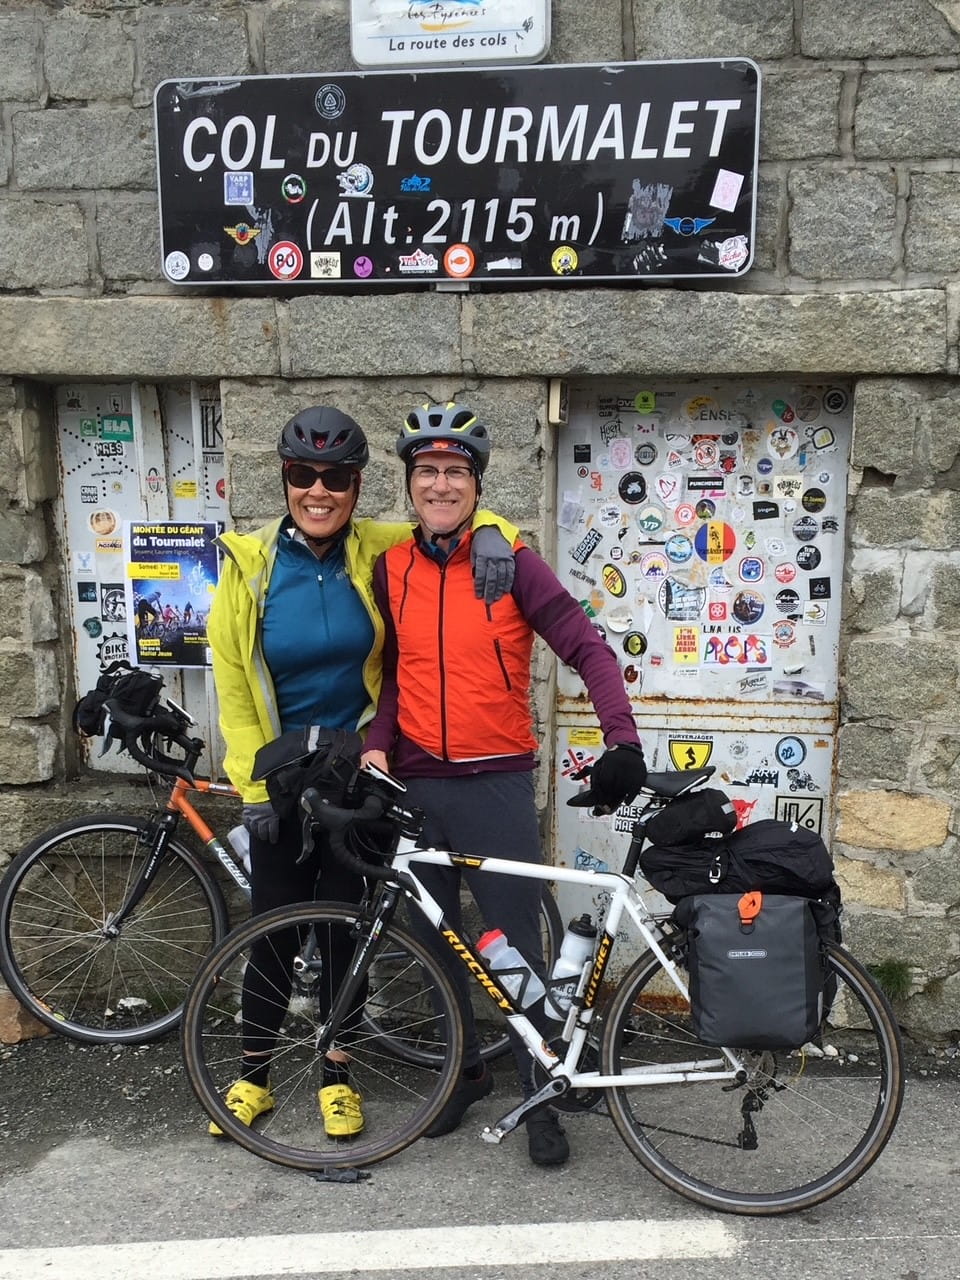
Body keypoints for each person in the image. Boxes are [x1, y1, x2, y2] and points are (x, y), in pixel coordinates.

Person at [206, 404, 518, 1141]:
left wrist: (500, 537)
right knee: (276, 931)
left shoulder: (373, 546)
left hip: (359, 778)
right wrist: (255, 790)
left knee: (350, 931)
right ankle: (253, 1075)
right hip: (281, 779)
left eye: (338, 478)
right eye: (304, 476)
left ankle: (337, 1074)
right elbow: (231, 687)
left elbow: (454, 512)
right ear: (284, 481)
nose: (320, 492)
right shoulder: (250, 567)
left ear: (355, 485)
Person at [360, 402, 648, 1167]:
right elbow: (394, 677)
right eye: (429, 472)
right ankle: (464, 1074)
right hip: (418, 783)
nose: (442, 484)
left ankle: (541, 1087)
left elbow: (586, 647)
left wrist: (621, 736)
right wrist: (379, 746)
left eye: (456, 472)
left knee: (514, 945)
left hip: (496, 780)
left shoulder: (511, 557)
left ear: (476, 484)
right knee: (432, 938)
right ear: (411, 485)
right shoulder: (392, 567)